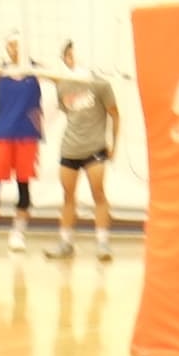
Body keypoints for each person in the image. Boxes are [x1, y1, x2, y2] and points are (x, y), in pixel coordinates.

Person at [0, 36, 48, 253]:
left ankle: (18, 233)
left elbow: (60, 79)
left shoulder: (36, 70)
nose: (12, 48)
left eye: (16, 43)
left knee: (23, 186)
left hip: (27, 136)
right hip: (2, 134)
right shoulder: (0, 70)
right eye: (9, 44)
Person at [48, 40, 118, 261]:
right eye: (67, 56)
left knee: (99, 194)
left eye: (73, 55)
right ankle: (66, 243)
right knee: (68, 197)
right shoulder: (63, 85)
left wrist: (113, 144)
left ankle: (103, 244)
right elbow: (68, 113)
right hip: (70, 149)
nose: (71, 59)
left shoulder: (100, 85)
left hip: (95, 149)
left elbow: (115, 115)